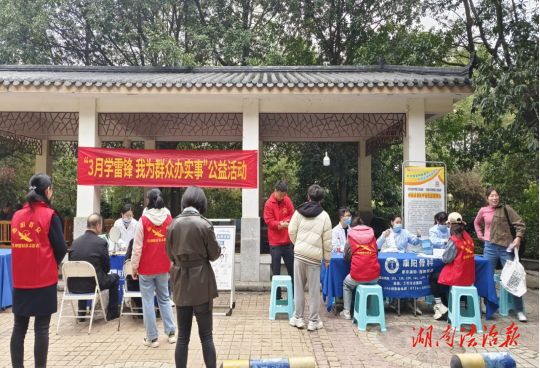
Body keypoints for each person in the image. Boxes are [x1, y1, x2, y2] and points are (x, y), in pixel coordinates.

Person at [10, 174, 67, 368]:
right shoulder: (50, 216)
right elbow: (61, 249)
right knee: (41, 329)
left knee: (19, 328)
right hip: (43, 280)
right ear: (48, 191)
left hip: (20, 280)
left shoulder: (17, 216)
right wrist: (50, 263)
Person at [166, 185, 221, 368]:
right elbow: (214, 255)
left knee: (182, 337)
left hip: (180, 283)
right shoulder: (205, 225)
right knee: (206, 337)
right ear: (201, 203)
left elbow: (170, 255)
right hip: (202, 284)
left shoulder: (173, 224)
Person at [131, 188, 176, 347]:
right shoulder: (169, 218)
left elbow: (137, 249)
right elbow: (172, 245)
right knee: (164, 298)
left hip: (146, 268)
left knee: (148, 301)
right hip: (163, 267)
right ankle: (171, 333)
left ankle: (152, 338)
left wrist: (134, 267)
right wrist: (171, 265)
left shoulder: (142, 220)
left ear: (148, 201)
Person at [474, 187, 527, 322]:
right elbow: (476, 223)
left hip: (506, 248)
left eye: (496, 195)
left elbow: (520, 224)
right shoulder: (483, 211)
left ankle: (519, 310)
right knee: (487, 277)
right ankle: (488, 306)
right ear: (487, 198)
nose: (494, 198)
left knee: (513, 276)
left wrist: (518, 237)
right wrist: (480, 236)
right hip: (489, 247)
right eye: (491, 196)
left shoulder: (506, 209)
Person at [288, 184, 332, 331]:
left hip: (299, 256)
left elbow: (291, 231)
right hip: (314, 259)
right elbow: (327, 241)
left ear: (308, 197)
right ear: (321, 200)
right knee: (313, 291)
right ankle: (313, 321)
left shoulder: (298, 212)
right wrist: (327, 259)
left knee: (298, 288)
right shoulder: (325, 216)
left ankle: (298, 318)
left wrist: (298, 245)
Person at [68, 213, 120, 321]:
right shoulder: (101, 243)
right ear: (98, 226)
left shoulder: (75, 243)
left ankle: (81, 314)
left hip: (74, 285)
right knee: (115, 278)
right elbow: (107, 268)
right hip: (94, 284)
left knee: (81, 275)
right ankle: (112, 312)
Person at [429, 212, 476, 320]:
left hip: (458, 276)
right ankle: (451, 304)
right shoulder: (469, 238)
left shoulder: (454, 240)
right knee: (441, 277)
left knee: (433, 278)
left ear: (450, 225)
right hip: (469, 277)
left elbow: (446, 259)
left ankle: (439, 305)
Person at [377, 214, 423, 314]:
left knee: (411, 276)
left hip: (403, 261)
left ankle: (412, 301)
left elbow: (415, 242)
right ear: (392, 222)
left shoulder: (405, 232)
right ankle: (394, 300)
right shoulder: (387, 232)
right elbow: (377, 245)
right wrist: (384, 236)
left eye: (400, 222)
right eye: (397, 222)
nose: (399, 224)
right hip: (391, 263)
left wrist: (418, 235)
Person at [340, 217, 380, 319]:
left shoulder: (351, 237)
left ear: (352, 227)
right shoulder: (372, 236)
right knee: (369, 284)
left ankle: (347, 311)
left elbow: (346, 258)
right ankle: (368, 310)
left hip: (358, 274)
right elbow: (376, 254)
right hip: (374, 275)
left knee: (346, 285)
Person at [263, 180, 295, 300]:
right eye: (280, 195)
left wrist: (287, 221)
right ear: (275, 191)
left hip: (287, 242)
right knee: (276, 272)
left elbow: (293, 214)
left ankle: (293, 296)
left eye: (284, 195)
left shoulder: (287, 200)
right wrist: (281, 224)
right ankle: (277, 296)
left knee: (292, 269)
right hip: (275, 243)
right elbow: (269, 221)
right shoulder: (268, 204)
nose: (282, 197)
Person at [125, 239, 143, 317]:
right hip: (147, 283)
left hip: (132, 284)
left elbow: (126, 259)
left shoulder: (132, 241)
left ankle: (140, 309)